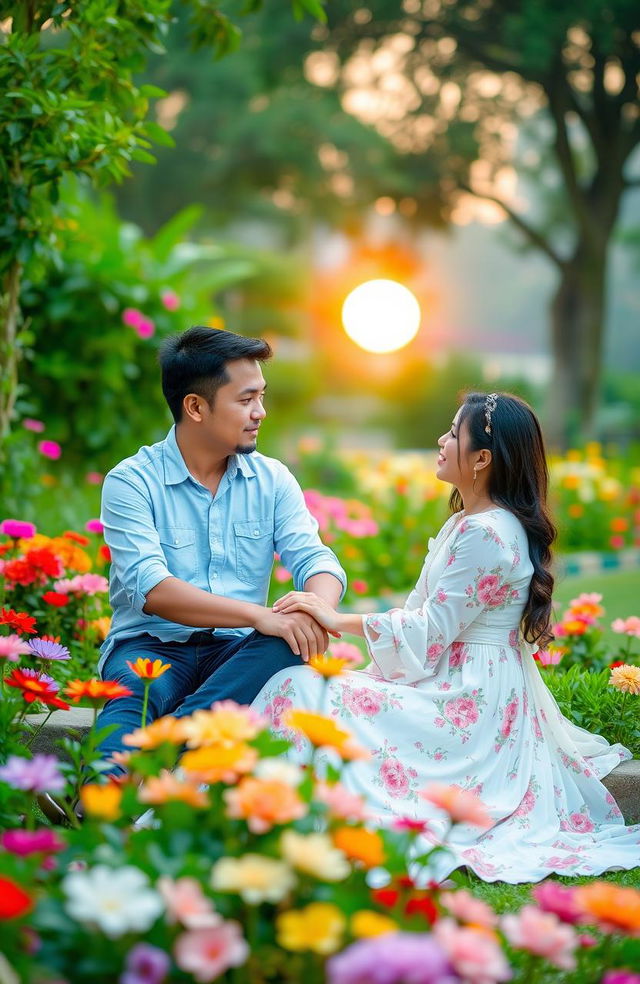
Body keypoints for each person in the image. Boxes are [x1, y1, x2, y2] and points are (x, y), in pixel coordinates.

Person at [253, 392, 640, 883]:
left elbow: (428, 634)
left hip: (470, 699)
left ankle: (275, 812)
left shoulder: (488, 534)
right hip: (450, 679)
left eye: (453, 432)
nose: (441, 440)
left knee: (304, 690)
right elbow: (419, 617)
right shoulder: (468, 522)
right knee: (305, 689)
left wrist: (332, 617)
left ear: (482, 458)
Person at [95, 325, 346, 767]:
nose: (260, 412)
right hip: (151, 646)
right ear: (195, 406)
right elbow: (154, 591)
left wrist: (315, 609)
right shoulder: (131, 481)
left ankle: (166, 753)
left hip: (235, 652)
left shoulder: (272, 480)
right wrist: (259, 615)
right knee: (134, 693)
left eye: (262, 397)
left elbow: (314, 558)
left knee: (288, 641)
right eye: (246, 400)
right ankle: (96, 803)